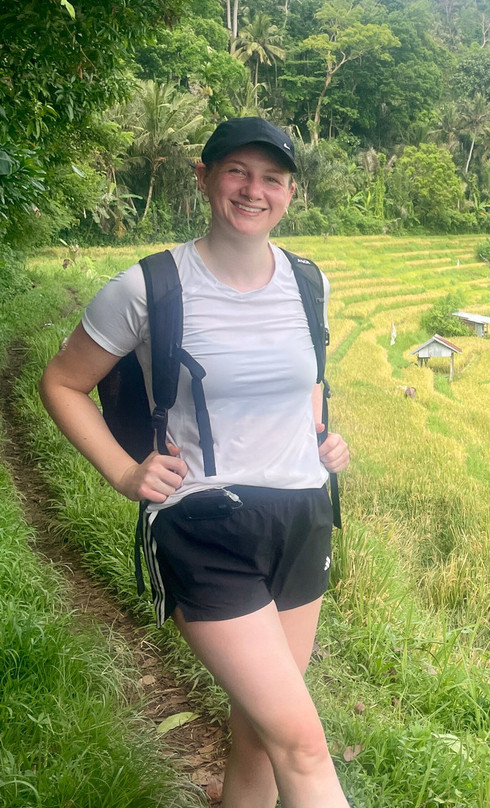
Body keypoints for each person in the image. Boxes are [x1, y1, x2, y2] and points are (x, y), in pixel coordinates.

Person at [39, 117, 352, 808]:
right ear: (204, 177)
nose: (253, 190)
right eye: (237, 171)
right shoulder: (149, 286)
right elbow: (62, 383)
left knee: (259, 737)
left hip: (302, 517)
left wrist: (322, 436)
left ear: (290, 193)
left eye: (272, 178)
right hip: (204, 525)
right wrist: (125, 472)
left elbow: (307, 380)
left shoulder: (309, 281)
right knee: (303, 745)